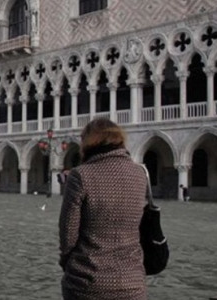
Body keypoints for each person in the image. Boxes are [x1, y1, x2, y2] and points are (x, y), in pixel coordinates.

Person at [59, 118, 147, 300]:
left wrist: (69, 264)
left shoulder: (80, 175)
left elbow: (68, 233)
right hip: (132, 283)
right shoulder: (140, 174)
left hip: (87, 282)